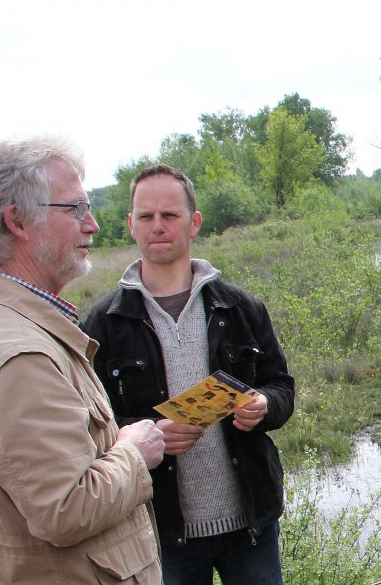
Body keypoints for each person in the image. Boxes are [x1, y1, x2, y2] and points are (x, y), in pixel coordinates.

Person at [0, 136, 165, 584]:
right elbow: (64, 509)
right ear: (17, 221)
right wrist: (133, 453)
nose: (93, 225)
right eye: (76, 208)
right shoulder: (20, 353)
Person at [82, 164, 296, 585]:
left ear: (194, 223)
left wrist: (265, 405)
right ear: (130, 225)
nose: (157, 227)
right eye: (145, 217)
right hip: (162, 530)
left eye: (170, 215)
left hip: (251, 522)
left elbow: (281, 386)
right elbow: (88, 425)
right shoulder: (103, 325)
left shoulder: (239, 308)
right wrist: (146, 433)